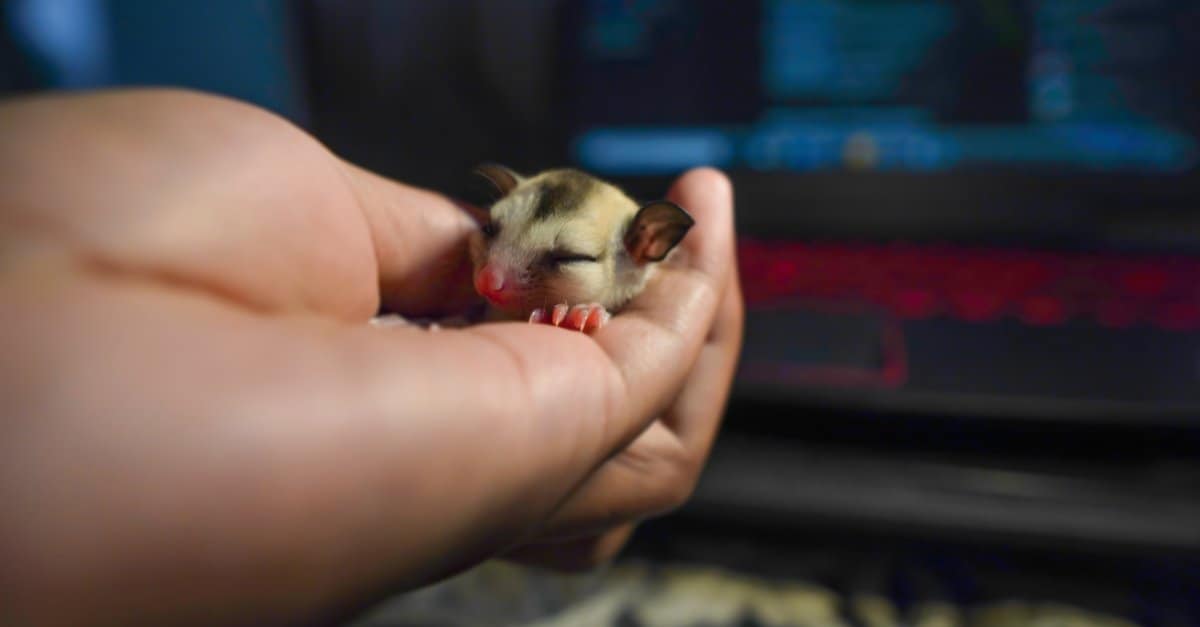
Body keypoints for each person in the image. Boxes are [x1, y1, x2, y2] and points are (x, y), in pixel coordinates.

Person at [0, 88, 743, 626]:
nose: (490, 276)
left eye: (561, 259)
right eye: (492, 230)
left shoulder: (632, 270)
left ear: (646, 249)